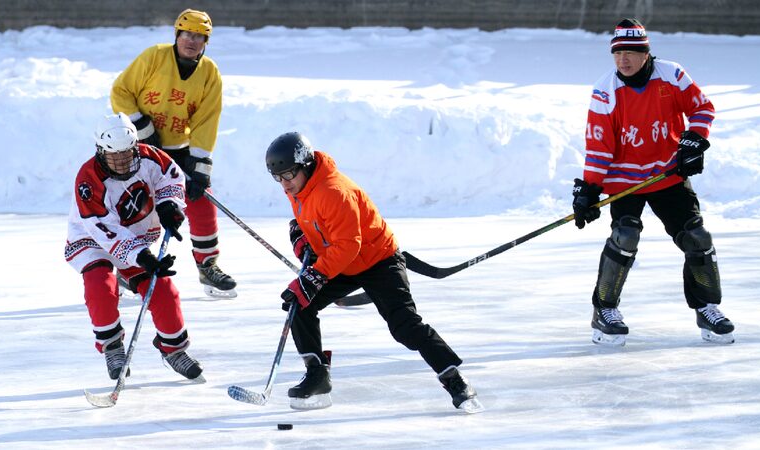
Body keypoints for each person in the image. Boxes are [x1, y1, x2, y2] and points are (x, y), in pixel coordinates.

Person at [264, 132, 482, 412]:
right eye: (277, 177)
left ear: (305, 164)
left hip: (378, 260)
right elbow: (320, 224)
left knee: (405, 326)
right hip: (343, 261)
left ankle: (455, 379)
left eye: (288, 175)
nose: (284, 184)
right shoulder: (301, 186)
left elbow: (348, 244)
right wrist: (303, 235)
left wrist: (314, 276)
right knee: (299, 305)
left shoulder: (333, 191)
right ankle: (317, 376)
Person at [572, 18, 734, 346]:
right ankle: (604, 311)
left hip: (666, 174)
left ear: (646, 53)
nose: (624, 60)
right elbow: (599, 146)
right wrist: (589, 189)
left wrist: (693, 140)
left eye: (631, 52)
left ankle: (707, 307)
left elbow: (703, 108)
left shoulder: (671, 75)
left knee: (696, 236)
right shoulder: (605, 91)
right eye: (618, 54)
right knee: (625, 236)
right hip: (624, 180)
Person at [65, 113, 203, 381]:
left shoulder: (149, 157)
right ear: (100, 151)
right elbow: (104, 229)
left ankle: (173, 349)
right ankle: (112, 347)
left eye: (127, 154)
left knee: (164, 290)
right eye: (114, 156)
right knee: (101, 287)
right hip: (94, 240)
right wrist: (141, 256)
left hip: (136, 239)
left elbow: (171, 177)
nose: (121, 162)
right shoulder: (88, 180)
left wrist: (169, 204)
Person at [110, 8, 237, 298]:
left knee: (200, 201)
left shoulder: (209, 73)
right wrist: (142, 128)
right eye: (187, 34)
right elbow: (121, 92)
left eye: (199, 37)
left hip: (177, 152)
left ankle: (208, 266)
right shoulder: (153, 57)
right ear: (177, 35)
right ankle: (129, 271)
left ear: (206, 42)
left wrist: (200, 164)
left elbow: (206, 120)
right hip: (139, 150)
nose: (192, 41)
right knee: (140, 208)